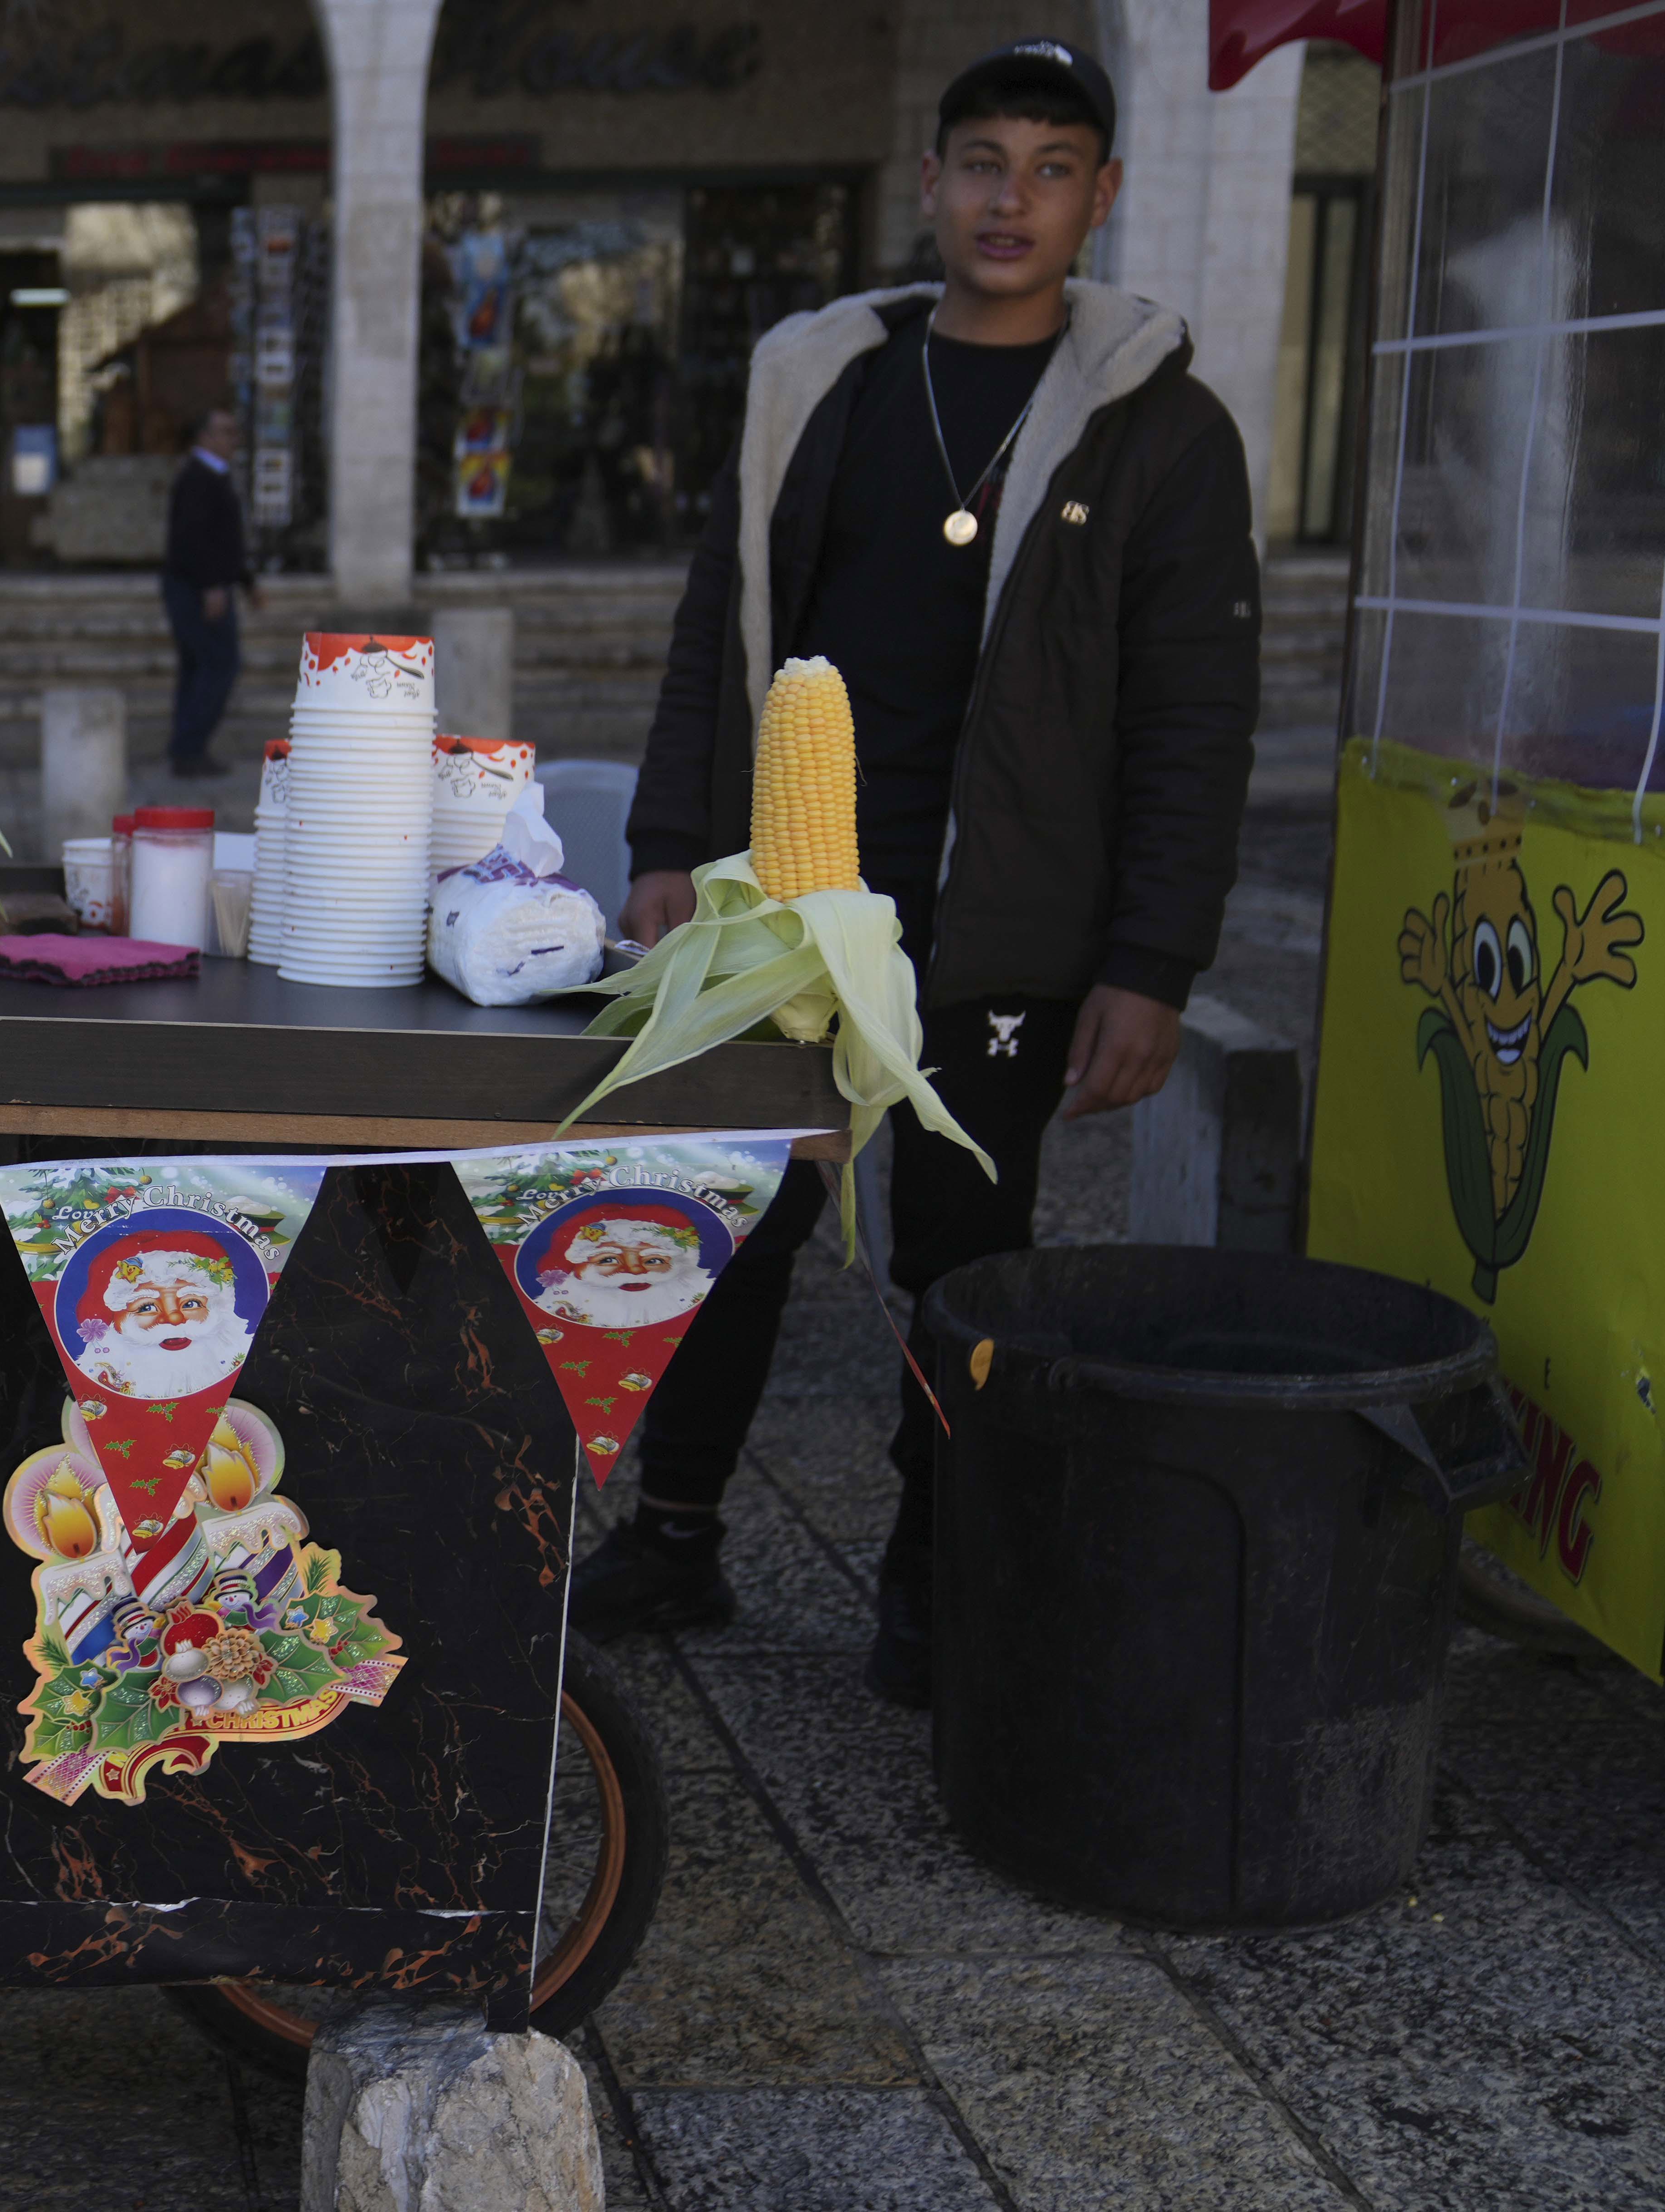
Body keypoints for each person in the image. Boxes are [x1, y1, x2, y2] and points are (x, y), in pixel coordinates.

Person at [574, 38, 1259, 1706]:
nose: (1005, 195)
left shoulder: (1157, 429)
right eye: (978, 159)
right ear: (930, 184)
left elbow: (1194, 718)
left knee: (958, 1260)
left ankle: (933, 1572)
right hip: (791, 902)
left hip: (999, 931)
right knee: (730, 1215)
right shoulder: (833, 386)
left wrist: (1147, 961)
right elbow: (716, 628)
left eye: (1046, 166)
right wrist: (668, 844)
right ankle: (673, 1528)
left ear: (1097, 197)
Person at [160, 408, 256, 778]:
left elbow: (226, 541)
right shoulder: (198, 478)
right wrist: (212, 587)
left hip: (203, 586)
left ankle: (188, 748)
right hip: (195, 589)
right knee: (218, 664)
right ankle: (189, 748)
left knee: (201, 667)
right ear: (205, 437)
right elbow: (193, 540)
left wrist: (247, 583)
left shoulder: (213, 477)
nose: (233, 440)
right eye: (226, 432)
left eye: (235, 432)